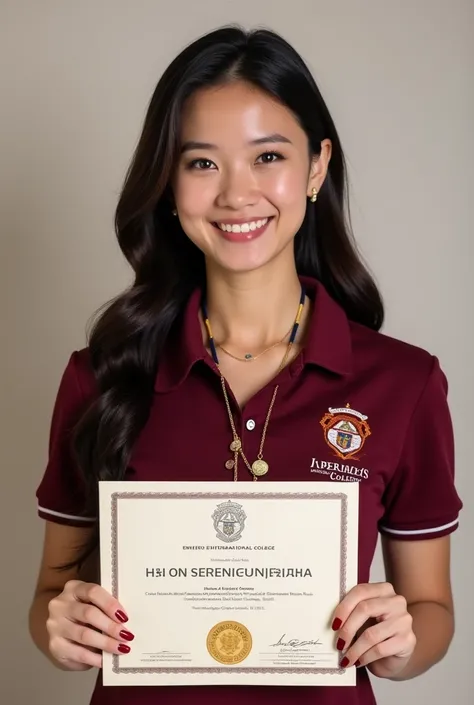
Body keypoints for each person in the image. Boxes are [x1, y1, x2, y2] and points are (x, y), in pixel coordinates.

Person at [28, 24, 463, 705]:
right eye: (202, 163)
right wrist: (59, 627)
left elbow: (432, 607)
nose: (237, 193)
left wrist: (402, 646)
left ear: (317, 167)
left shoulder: (403, 385)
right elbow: (49, 598)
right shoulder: (100, 376)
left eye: (268, 157)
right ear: (168, 183)